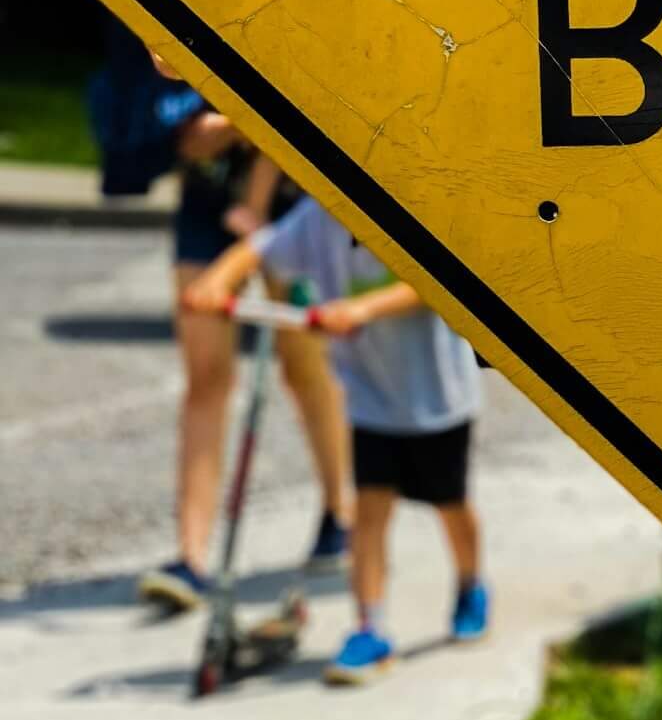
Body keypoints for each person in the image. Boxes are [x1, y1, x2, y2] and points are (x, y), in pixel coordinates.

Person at [184, 195, 489, 684]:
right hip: (372, 396)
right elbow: (261, 247)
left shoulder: (410, 205)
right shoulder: (321, 214)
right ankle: (370, 625)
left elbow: (435, 281)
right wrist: (217, 282)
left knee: (450, 503)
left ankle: (471, 583)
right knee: (369, 509)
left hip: (435, 395)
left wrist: (362, 308)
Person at [139, 76, 352, 612]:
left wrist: (239, 134)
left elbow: (298, 106)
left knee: (303, 367)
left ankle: (339, 511)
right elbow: (187, 132)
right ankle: (191, 556)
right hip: (209, 199)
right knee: (205, 375)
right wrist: (226, 129)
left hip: (290, 201)